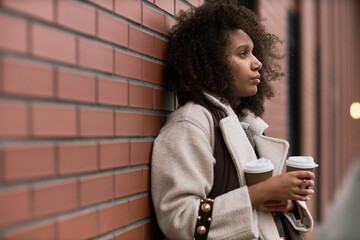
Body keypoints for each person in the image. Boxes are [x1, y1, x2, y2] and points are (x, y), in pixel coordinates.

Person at [151, 0, 315, 239]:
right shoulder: (192, 122)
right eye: (242, 53)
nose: (257, 62)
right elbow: (179, 218)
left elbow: (261, 211)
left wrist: (287, 202)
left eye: (254, 52)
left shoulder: (244, 122)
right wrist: (261, 192)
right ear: (211, 63)